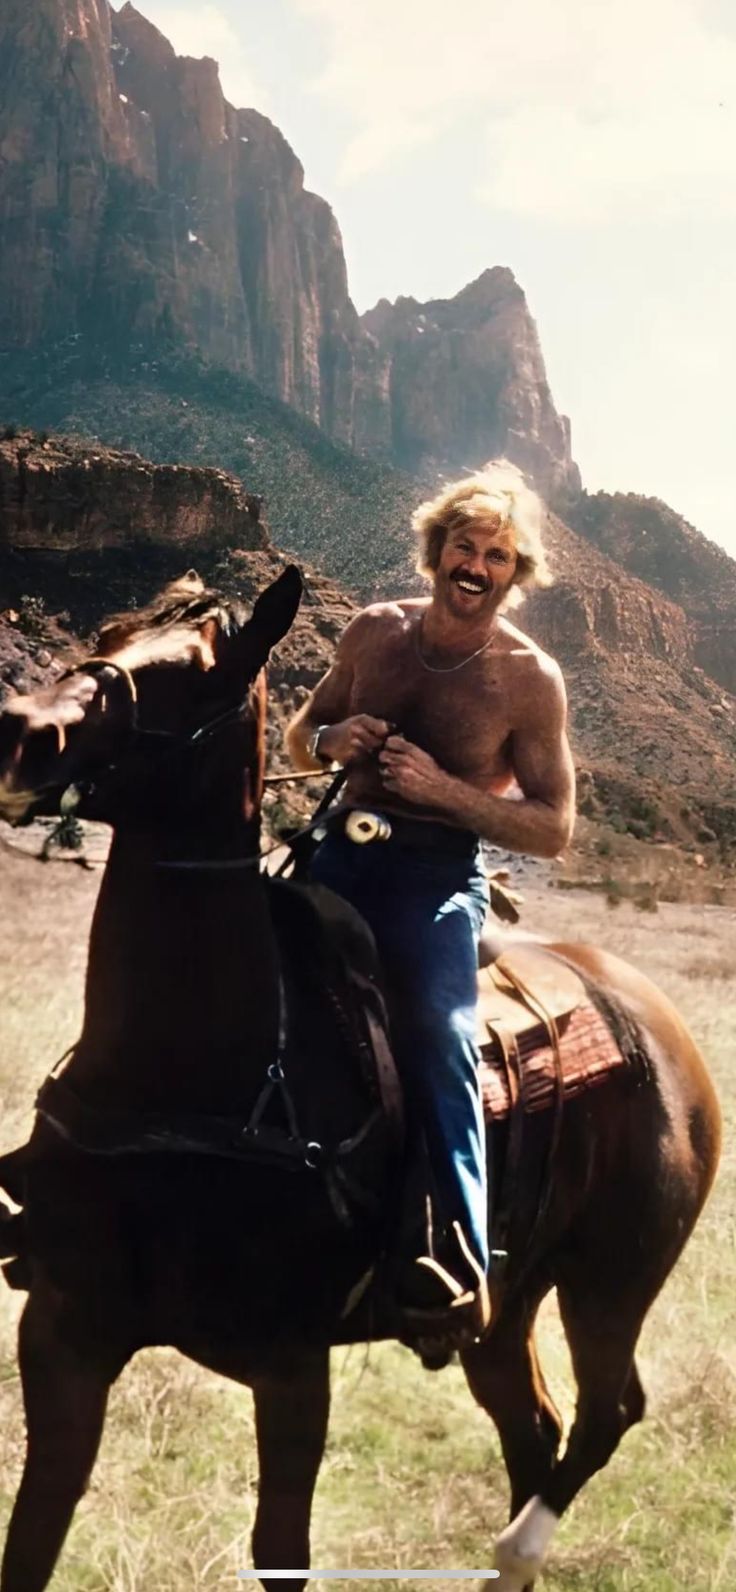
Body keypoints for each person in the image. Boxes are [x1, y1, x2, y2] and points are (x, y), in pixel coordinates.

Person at [285, 460, 575, 1345]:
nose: (476, 565)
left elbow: (554, 828)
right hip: (337, 854)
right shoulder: (374, 632)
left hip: (435, 879)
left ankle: (459, 1256)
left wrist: (446, 791)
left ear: (514, 575)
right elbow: (303, 736)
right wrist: (334, 738)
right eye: (463, 545)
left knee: (443, 1037)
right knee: (219, 964)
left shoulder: (529, 679)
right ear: (436, 551)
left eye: (496, 555)